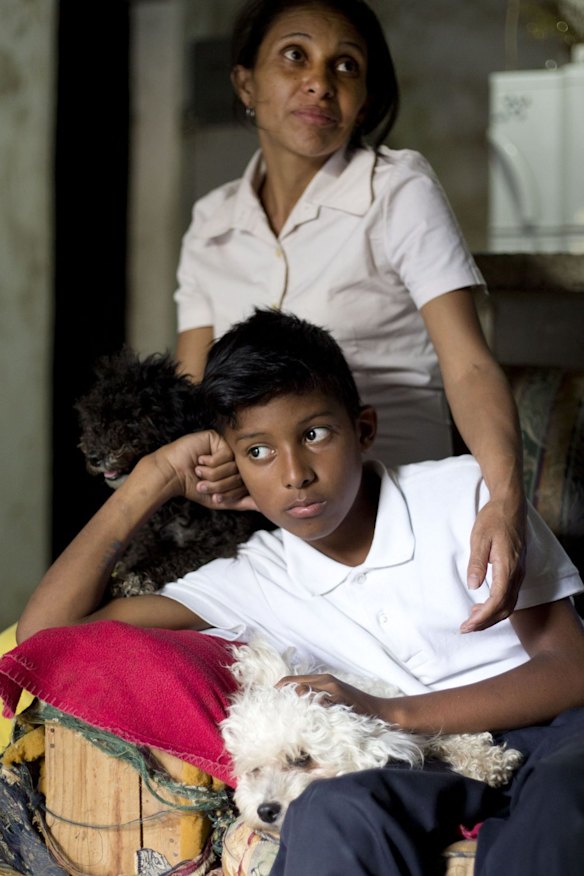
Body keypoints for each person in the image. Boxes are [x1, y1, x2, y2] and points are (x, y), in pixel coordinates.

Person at [17, 309, 584, 875]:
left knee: (565, 792)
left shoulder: (467, 496)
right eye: (258, 451)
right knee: (330, 811)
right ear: (232, 465)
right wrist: (154, 477)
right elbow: (44, 636)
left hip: (557, 731)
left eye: (313, 434)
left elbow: (571, 667)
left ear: (363, 429)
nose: (294, 474)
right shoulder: (253, 577)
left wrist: (391, 711)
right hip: (422, 765)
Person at [173, 0, 526, 632]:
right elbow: (193, 400)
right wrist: (208, 472)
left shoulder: (397, 189)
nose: (320, 80)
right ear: (246, 83)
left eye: (346, 66)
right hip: (263, 546)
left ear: (363, 102)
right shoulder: (212, 222)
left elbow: (469, 364)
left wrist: (503, 499)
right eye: (294, 55)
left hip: (397, 529)